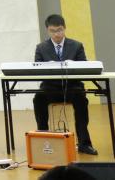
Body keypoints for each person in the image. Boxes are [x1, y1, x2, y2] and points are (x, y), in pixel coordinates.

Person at [33, 14, 97, 156]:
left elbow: (83, 68)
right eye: (53, 31)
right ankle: (43, 139)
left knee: (82, 100)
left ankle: (84, 143)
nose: (57, 34)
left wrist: (72, 66)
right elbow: (37, 71)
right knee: (38, 99)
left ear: (65, 28)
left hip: (72, 87)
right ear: (48, 30)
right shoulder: (41, 48)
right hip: (50, 88)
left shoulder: (76, 46)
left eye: (60, 30)